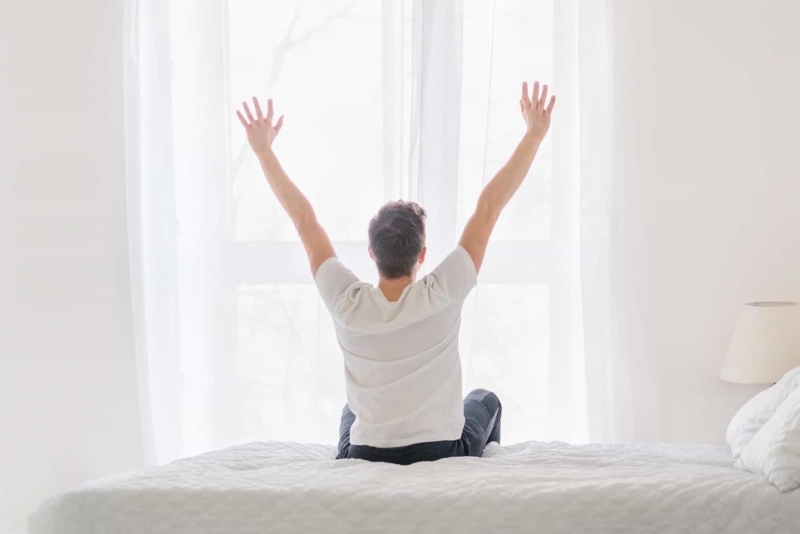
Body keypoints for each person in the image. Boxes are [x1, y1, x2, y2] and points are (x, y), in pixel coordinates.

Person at [235, 80, 556, 465]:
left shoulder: (346, 301)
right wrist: (534, 135)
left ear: (371, 253)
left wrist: (263, 151)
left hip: (365, 452)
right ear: (422, 255)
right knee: (485, 400)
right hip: (440, 451)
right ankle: (474, 477)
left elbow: (304, 220)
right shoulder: (443, 292)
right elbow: (489, 207)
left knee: (351, 411)